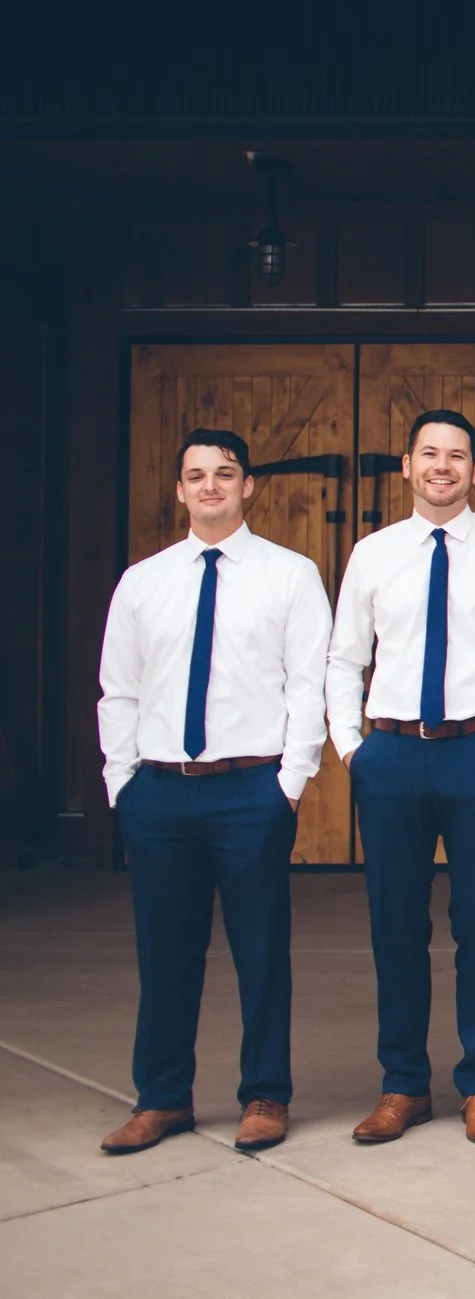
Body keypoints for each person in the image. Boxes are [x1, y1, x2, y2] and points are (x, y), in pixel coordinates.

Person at [98, 428, 329, 1156]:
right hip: (160, 792)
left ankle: (265, 1094)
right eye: (195, 475)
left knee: (261, 950)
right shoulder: (143, 581)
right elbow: (119, 690)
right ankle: (162, 1097)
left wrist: (287, 784)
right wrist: (122, 784)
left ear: (248, 485)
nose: (209, 486)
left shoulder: (290, 575)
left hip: (249, 790)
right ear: (178, 489)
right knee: (166, 952)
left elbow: (307, 686)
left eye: (224, 474)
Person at [328, 409, 475, 1148]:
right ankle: (403, 1084)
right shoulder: (374, 552)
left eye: (457, 455)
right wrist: (352, 747)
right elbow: (343, 657)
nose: (442, 466)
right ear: (408, 466)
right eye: (429, 454)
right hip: (392, 756)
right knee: (396, 924)